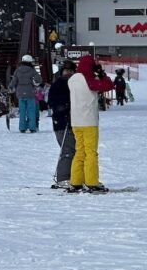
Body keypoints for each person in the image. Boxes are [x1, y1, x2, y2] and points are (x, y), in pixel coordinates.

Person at [66, 55, 116, 193]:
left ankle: (75, 182)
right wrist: (101, 74)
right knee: (91, 153)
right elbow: (109, 85)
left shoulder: (72, 80)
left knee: (79, 152)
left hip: (76, 121)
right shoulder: (88, 80)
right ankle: (91, 182)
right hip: (88, 121)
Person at [47, 58, 77, 189]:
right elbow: (51, 102)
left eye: (71, 71)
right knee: (67, 150)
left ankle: (73, 176)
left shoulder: (75, 84)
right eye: (66, 70)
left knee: (74, 150)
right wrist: (62, 108)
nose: (68, 73)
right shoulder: (58, 84)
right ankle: (63, 177)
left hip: (74, 122)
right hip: (62, 123)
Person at [8, 55, 42, 133]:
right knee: (31, 111)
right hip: (30, 93)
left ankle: (22, 127)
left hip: (20, 93)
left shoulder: (17, 70)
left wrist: (10, 87)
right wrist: (35, 81)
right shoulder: (32, 70)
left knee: (22, 111)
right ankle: (32, 127)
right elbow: (39, 79)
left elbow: (14, 81)